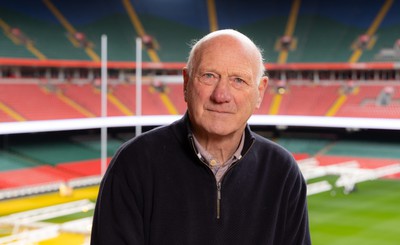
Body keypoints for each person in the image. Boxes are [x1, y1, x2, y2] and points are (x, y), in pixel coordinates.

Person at [91, 29, 311, 245]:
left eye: (238, 80)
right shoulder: (134, 163)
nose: (221, 95)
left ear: (260, 92)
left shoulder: (282, 172)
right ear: (186, 83)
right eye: (208, 76)